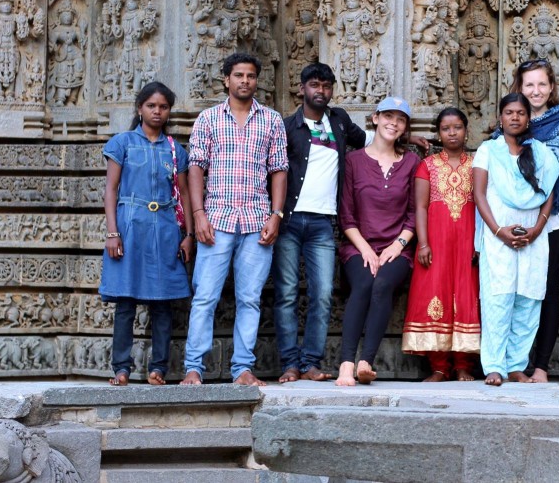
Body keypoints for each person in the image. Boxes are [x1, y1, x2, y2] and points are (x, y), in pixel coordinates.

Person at [181, 53, 288, 386]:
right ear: (226, 79)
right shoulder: (209, 119)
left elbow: (279, 171)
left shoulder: (271, 120)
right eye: (239, 75)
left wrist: (276, 215)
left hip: (257, 221)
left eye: (251, 76)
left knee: (250, 299)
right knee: (205, 297)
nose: (245, 81)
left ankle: (242, 368)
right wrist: (198, 215)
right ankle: (193, 369)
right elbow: (195, 167)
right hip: (216, 220)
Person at [272, 62, 371, 383]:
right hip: (289, 220)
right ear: (301, 89)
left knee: (323, 293)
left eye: (327, 86)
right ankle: (290, 363)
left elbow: (370, 139)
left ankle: (310, 362)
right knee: (287, 292)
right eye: (315, 85)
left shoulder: (339, 121)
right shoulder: (287, 127)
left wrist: (407, 135)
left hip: (325, 224)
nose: (321, 91)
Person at [102, 82, 194, 386]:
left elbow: (184, 193)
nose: (158, 112)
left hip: (166, 230)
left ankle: (158, 368)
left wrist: (188, 234)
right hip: (130, 229)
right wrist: (112, 232)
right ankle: (122, 369)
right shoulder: (123, 142)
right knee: (125, 302)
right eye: (152, 106)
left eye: (163, 107)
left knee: (163, 302)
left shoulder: (175, 149)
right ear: (140, 108)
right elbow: (111, 190)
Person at [473, 93, 559, 387]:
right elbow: (479, 195)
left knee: (528, 299)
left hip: (534, 237)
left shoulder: (541, 152)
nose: (514, 117)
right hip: (498, 237)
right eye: (509, 112)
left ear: (528, 118)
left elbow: (548, 195)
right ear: (501, 117)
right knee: (499, 298)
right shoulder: (488, 150)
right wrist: (498, 231)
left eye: (520, 113)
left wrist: (537, 229)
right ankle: (494, 366)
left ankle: (516, 365)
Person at [508, 59, 559, 382]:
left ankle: (540, 366)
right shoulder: (511, 121)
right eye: (529, 85)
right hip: (516, 217)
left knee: (547, 289)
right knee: (516, 289)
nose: (536, 91)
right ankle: (514, 363)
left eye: (542, 84)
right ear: (520, 88)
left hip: (553, 218)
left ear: (551, 88)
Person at [335, 97, 420, 386]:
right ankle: (346, 364)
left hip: (399, 247)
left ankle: (365, 362)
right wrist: (367, 250)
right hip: (358, 244)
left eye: (400, 119)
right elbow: (346, 215)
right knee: (364, 283)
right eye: (388, 116)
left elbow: (414, 213)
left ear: (405, 127)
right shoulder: (353, 160)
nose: (393, 123)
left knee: (382, 283)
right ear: (375, 118)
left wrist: (398, 244)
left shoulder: (410, 162)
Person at [401, 107, 480, 381]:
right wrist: (422, 243)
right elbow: (420, 208)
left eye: (457, 127)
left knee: (466, 297)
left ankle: (462, 367)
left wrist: (480, 244)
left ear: (466, 130)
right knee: (435, 296)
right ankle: (439, 367)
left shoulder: (477, 164)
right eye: (446, 129)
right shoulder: (428, 165)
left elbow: (484, 207)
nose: (452, 133)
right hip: (435, 243)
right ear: (438, 133)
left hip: (468, 243)